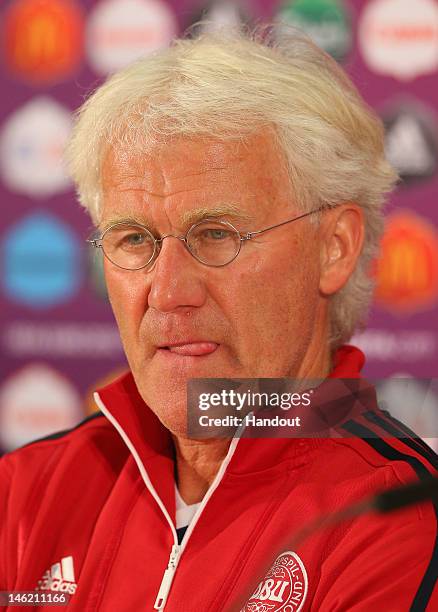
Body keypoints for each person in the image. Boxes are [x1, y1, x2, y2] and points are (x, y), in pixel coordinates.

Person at [1, 26, 437, 611]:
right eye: (134, 238)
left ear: (334, 246)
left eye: (216, 234)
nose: (169, 292)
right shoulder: (25, 491)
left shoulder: (403, 514)